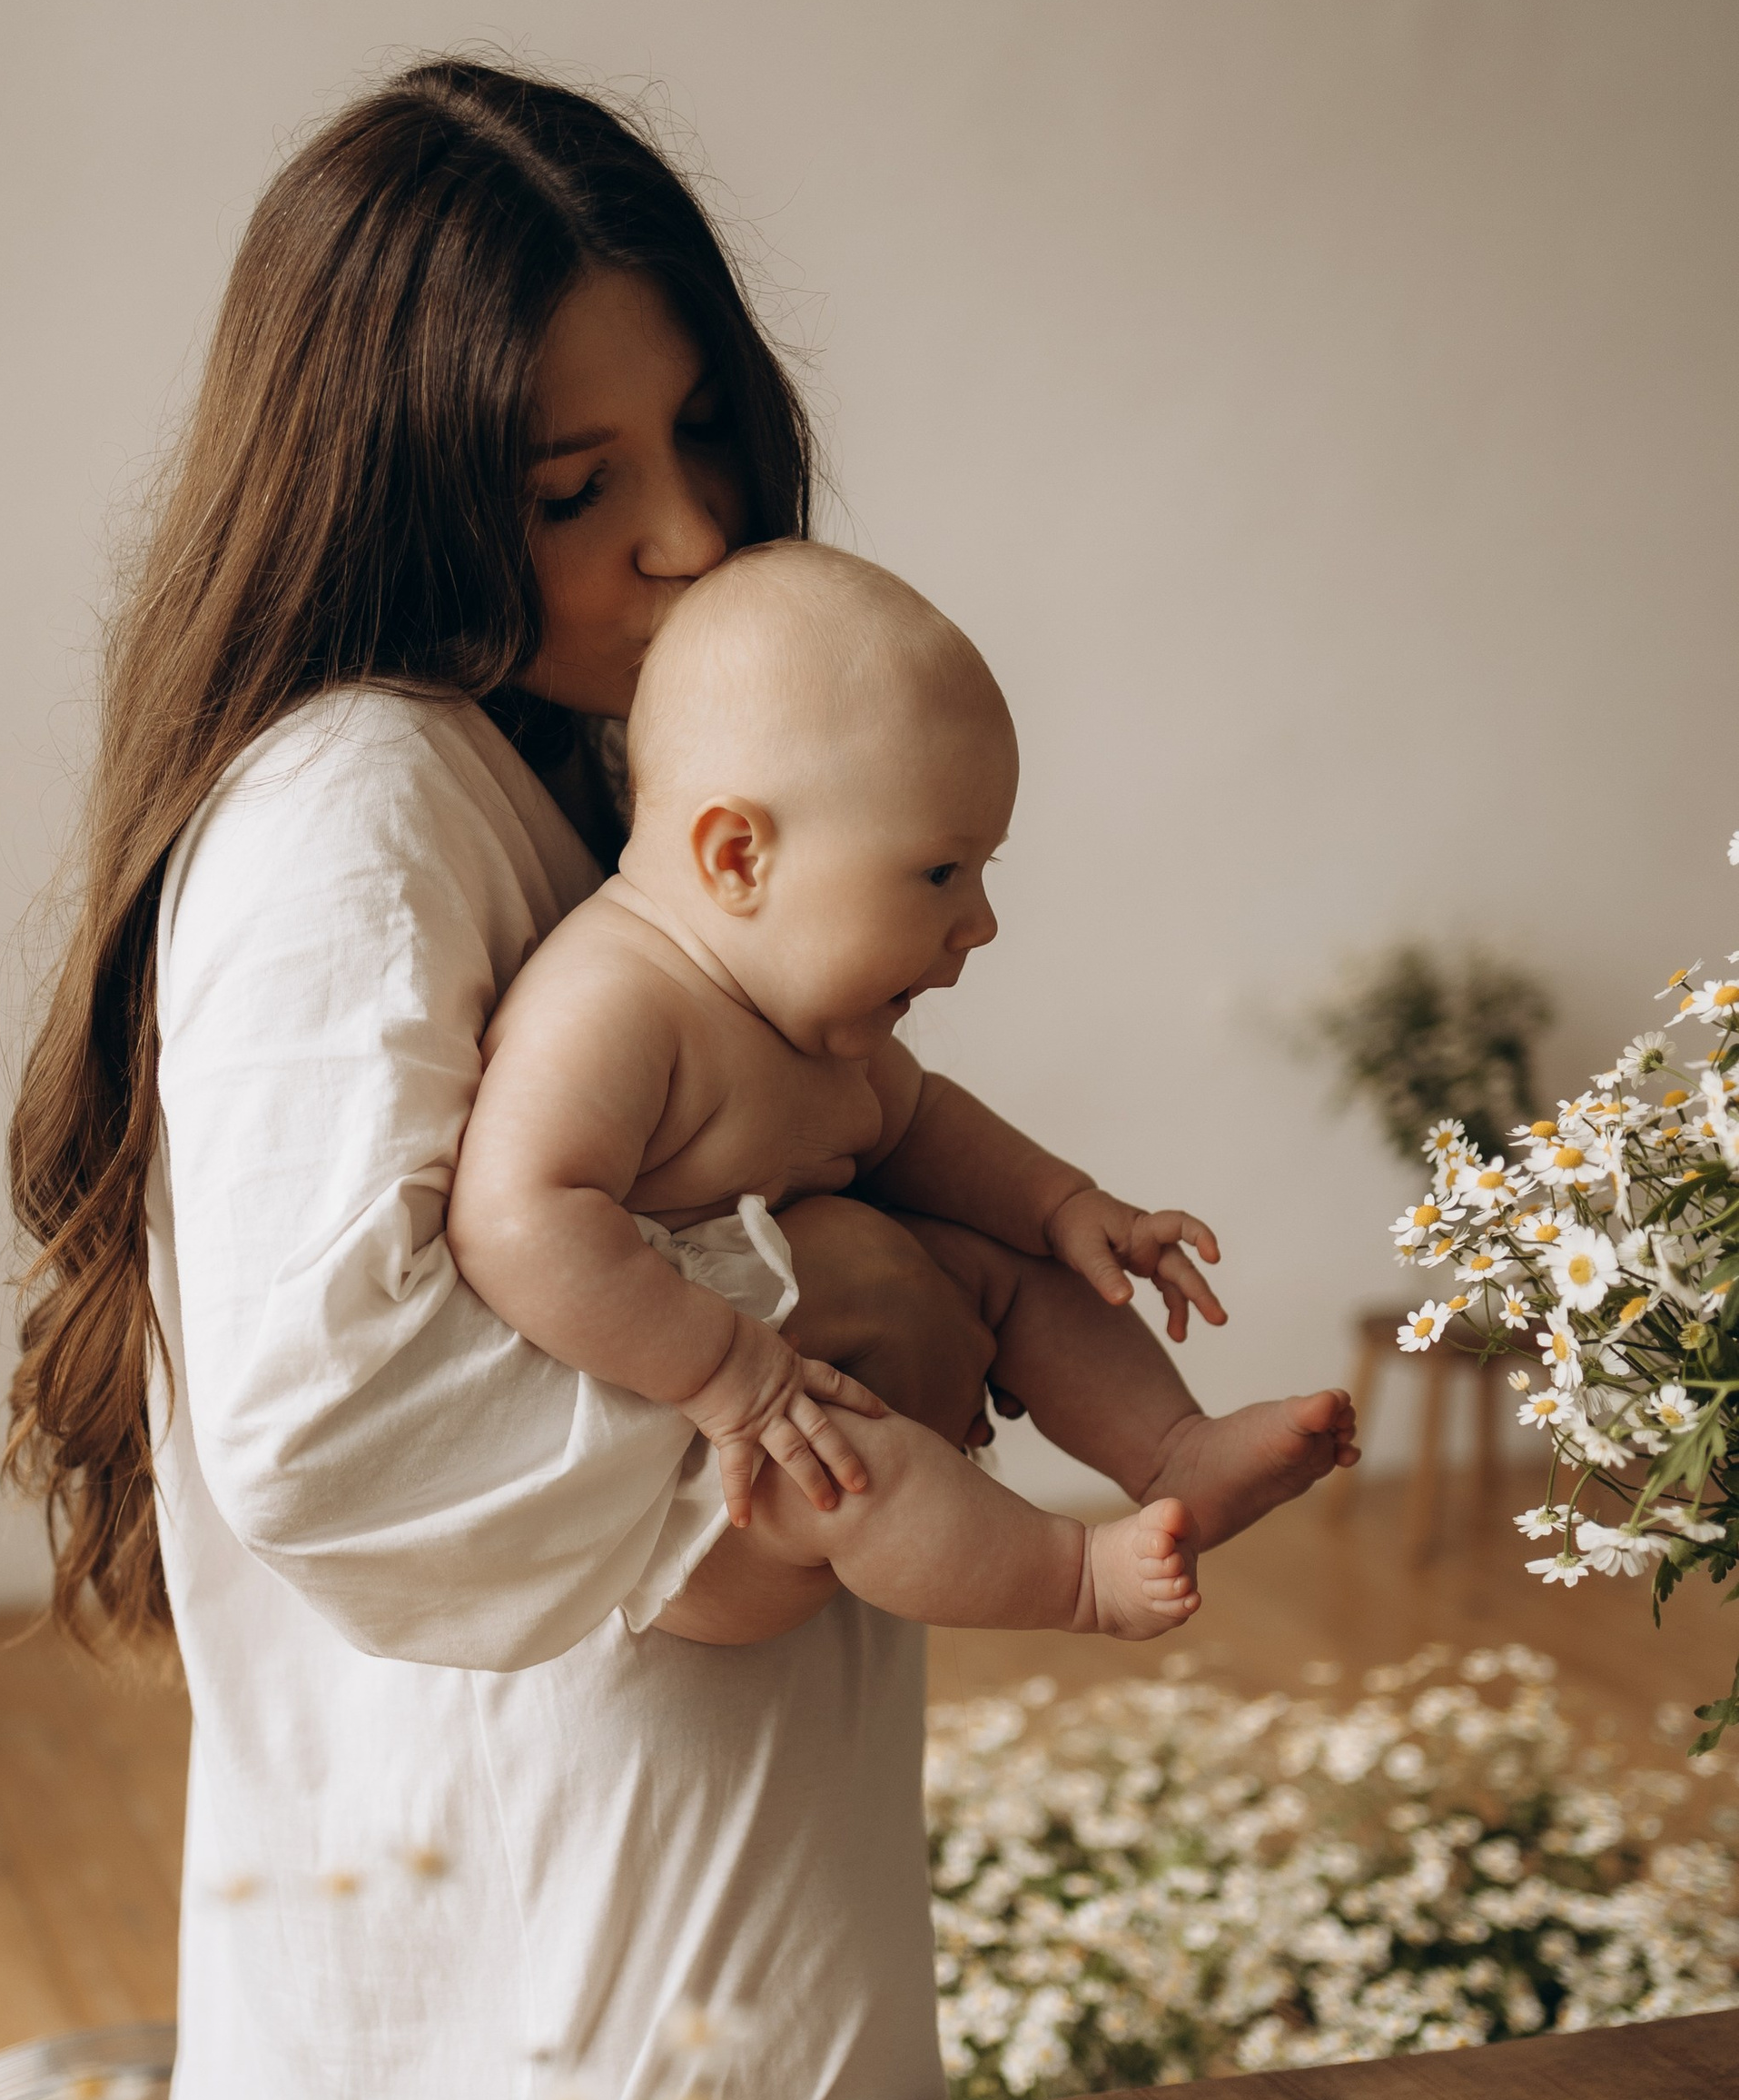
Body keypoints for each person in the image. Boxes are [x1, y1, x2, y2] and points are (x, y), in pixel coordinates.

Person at [8, 62, 1118, 2100]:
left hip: (667, 1859)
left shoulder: (545, 764)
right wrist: (823, 1298)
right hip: (557, 1956)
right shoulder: (354, 811)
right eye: (568, 480)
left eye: (699, 427)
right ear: (389, 492)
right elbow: (323, 1411)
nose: (689, 529)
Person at [446, 540, 1359, 1643]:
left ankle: (1172, 1449)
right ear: (739, 858)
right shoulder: (613, 1002)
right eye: (938, 871)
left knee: (1009, 1261)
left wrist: (1067, 1206)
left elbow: (920, 1122)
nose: (978, 922)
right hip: (705, 1487)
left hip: (803, 1385)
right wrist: (732, 1374)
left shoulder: (797, 1015)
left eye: (984, 871)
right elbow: (515, 1220)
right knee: (854, 1463)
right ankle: (1071, 1578)